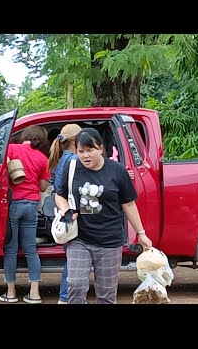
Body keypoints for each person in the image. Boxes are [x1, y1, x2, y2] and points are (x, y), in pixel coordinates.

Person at [55, 128, 153, 304]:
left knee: (106, 295)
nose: (85, 155)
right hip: (79, 238)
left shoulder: (117, 171)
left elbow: (129, 204)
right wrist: (65, 210)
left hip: (110, 241)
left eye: (90, 150)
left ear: (100, 148)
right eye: (81, 151)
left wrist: (141, 233)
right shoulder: (72, 167)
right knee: (75, 285)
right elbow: (59, 194)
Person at [0, 125, 50, 304]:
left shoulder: (12, 149)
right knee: (31, 249)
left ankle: (11, 293)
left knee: (11, 249)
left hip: (14, 204)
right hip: (32, 205)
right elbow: (44, 187)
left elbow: (0, 168)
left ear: (25, 135)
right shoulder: (42, 158)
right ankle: (34, 293)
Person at [48, 123, 82, 304]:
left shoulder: (61, 159)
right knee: (74, 261)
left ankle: (65, 297)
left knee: (72, 258)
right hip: (72, 214)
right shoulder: (73, 160)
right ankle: (65, 297)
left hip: (63, 212)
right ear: (76, 141)